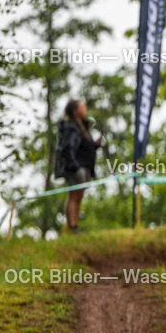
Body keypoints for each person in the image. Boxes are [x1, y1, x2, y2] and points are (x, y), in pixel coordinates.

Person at [56, 99, 102, 234]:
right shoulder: (70, 127)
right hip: (76, 167)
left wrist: (95, 145)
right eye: (82, 106)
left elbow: (83, 147)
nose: (85, 108)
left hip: (84, 166)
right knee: (73, 196)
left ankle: (74, 226)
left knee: (79, 196)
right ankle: (72, 227)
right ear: (75, 111)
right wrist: (74, 167)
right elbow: (68, 148)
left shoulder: (82, 126)